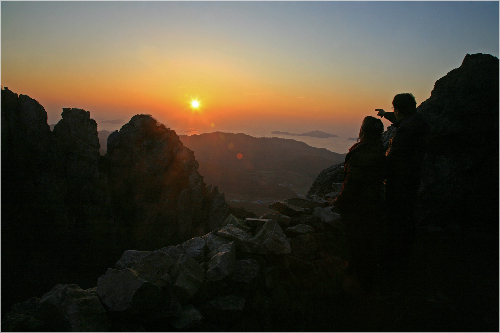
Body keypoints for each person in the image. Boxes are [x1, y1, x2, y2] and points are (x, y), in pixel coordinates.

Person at [375, 93, 430, 271]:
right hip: (411, 180)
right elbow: (401, 121)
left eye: (394, 110)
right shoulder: (419, 123)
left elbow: (392, 160)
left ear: (398, 109)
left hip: (398, 184)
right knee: (406, 220)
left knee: (394, 222)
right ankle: (405, 258)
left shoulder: (405, 132)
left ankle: (392, 261)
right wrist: (385, 114)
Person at [332, 116, 386, 294]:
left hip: (358, 208)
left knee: (356, 246)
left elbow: (352, 183)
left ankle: (357, 287)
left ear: (363, 131)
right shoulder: (379, 149)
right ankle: (368, 283)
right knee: (367, 245)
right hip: (372, 205)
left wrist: (339, 202)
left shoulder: (361, 152)